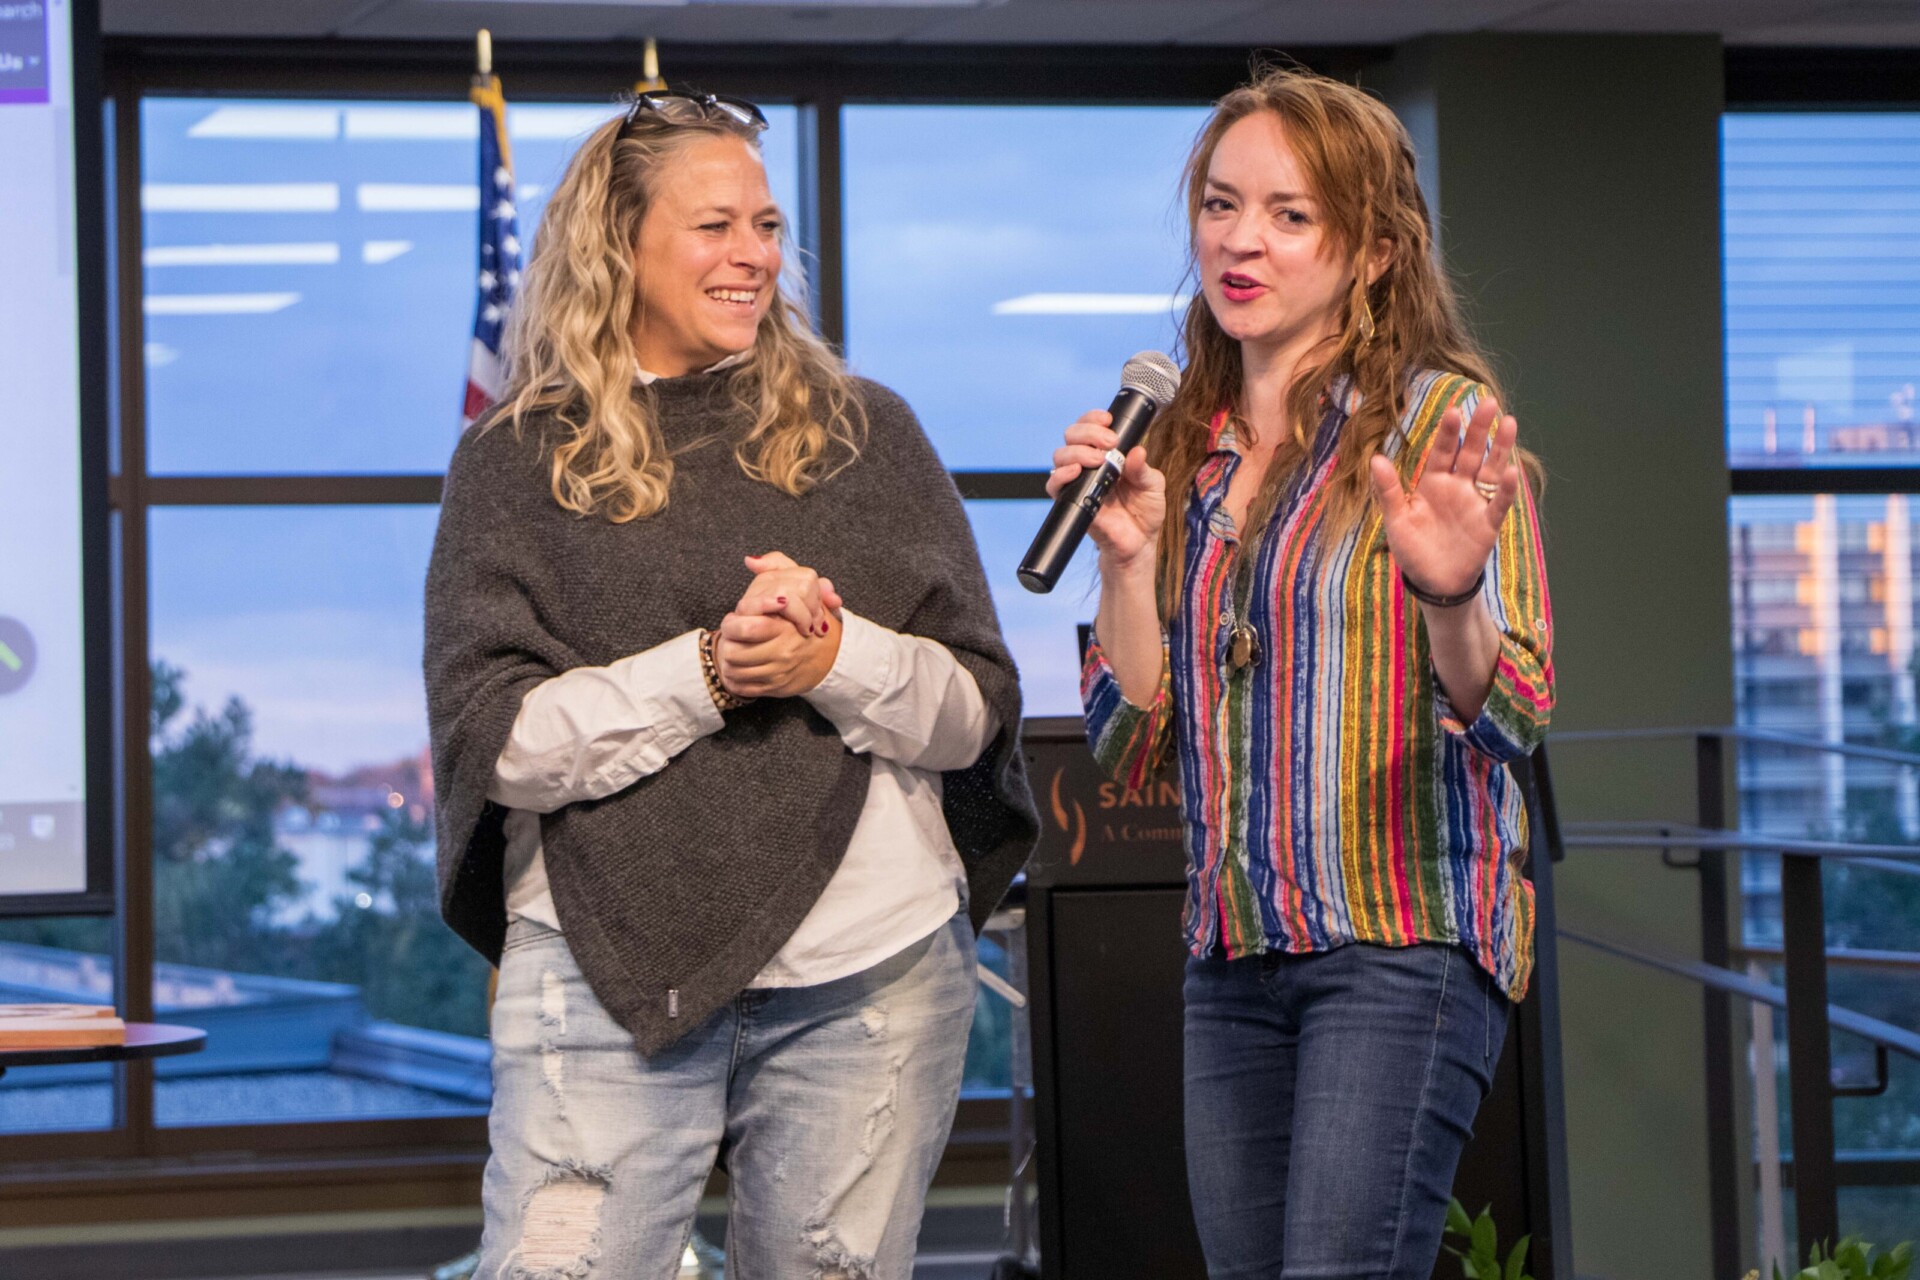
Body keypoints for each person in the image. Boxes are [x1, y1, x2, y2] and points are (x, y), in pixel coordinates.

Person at [424, 90, 1037, 1280]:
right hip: (599, 967)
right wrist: (706, 670)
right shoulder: (513, 461)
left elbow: (973, 715)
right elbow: (496, 744)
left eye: (765, 225)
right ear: (619, 246)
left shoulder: (869, 433)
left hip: (874, 969)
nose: (753, 254)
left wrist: (833, 656)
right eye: (715, 226)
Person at [1050, 67, 1553, 1279]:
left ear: (1373, 250)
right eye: (1222, 206)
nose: (1240, 240)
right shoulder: (1180, 442)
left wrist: (1449, 595)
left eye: (1289, 214)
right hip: (1231, 951)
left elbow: (1517, 713)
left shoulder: (1443, 426)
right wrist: (1124, 565)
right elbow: (1130, 740)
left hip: (1401, 941)